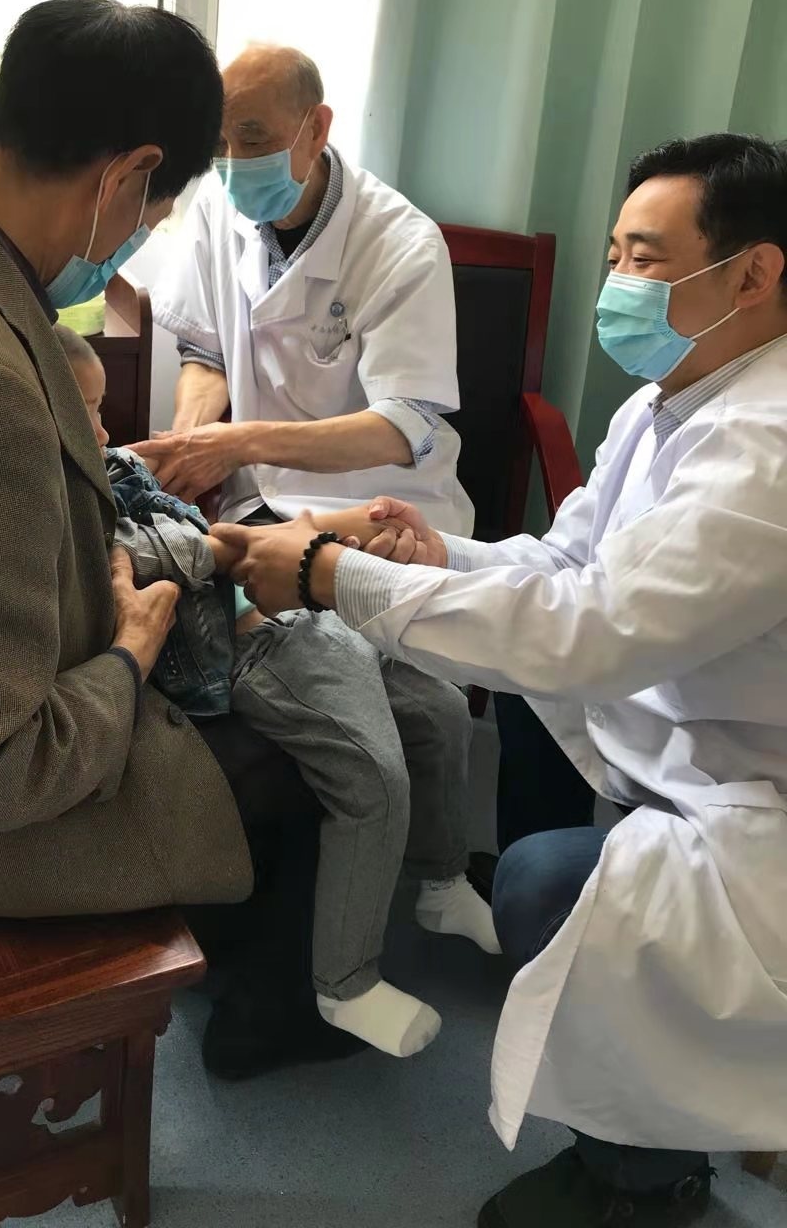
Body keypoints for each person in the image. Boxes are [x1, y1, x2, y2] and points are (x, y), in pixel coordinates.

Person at [212, 133, 787, 1226]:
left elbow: (591, 631)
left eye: (646, 260)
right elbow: (568, 563)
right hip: (679, 723)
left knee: (540, 881)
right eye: (614, 256)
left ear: (754, 272)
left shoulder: (769, 449)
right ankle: (558, 957)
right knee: (515, 705)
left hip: (751, 798)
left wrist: (334, 575)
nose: (619, 286)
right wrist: (431, 555)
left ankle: (648, 1182)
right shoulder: (665, 402)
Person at [0, 0, 350, 1080]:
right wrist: (131, 651)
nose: (137, 238)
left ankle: (230, 955)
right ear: (128, 174)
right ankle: (270, 1015)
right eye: (154, 212)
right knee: (312, 746)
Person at [56, 322, 498, 1058]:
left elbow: (169, 501)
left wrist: (317, 540)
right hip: (248, 650)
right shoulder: (64, 515)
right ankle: (345, 984)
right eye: (87, 414)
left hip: (292, 613)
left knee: (442, 708)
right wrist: (309, 540)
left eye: (103, 411)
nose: (104, 432)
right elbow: (178, 554)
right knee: (373, 773)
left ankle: (443, 881)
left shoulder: (108, 467)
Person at [133, 42, 474, 535]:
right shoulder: (215, 203)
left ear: (315, 129)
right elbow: (207, 358)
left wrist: (239, 444)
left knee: (283, 581)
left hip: (379, 509)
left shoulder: (404, 244)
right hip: (256, 505)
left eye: (253, 140)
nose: (233, 162)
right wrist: (187, 445)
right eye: (219, 145)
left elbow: (403, 428)